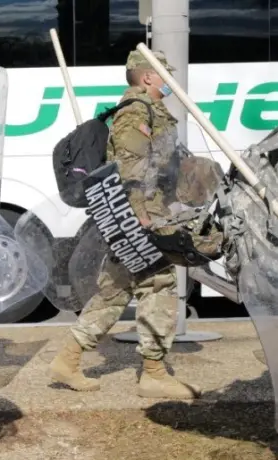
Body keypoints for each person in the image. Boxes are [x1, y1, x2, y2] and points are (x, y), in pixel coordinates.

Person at [48, 50, 202, 400]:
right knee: (160, 282)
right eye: (164, 74)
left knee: (115, 288)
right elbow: (132, 168)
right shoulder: (136, 112)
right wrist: (141, 217)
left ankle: (67, 359)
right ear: (147, 77)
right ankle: (153, 373)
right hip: (139, 215)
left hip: (137, 213)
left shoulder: (148, 110)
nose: (169, 81)